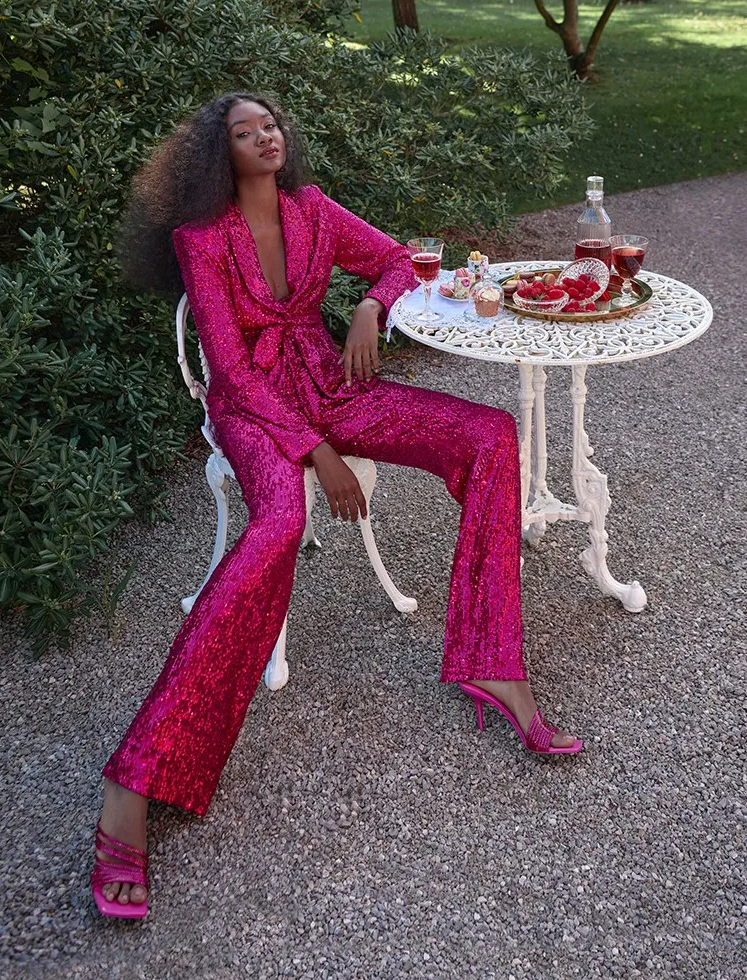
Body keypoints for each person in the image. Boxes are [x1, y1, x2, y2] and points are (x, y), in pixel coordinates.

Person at [91, 93, 582, 919]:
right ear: (220, 154)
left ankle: (494, 663)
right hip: (256, 415)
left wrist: (368, 305)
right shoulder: (199, 240)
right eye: (244, 133)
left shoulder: (313, 210)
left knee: (490, 433)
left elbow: (396, 258)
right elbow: (232, 372)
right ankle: (131, 791)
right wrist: (317, 454)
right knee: (280, 521)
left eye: (270, 125)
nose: (264, 137)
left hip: (331, 384)